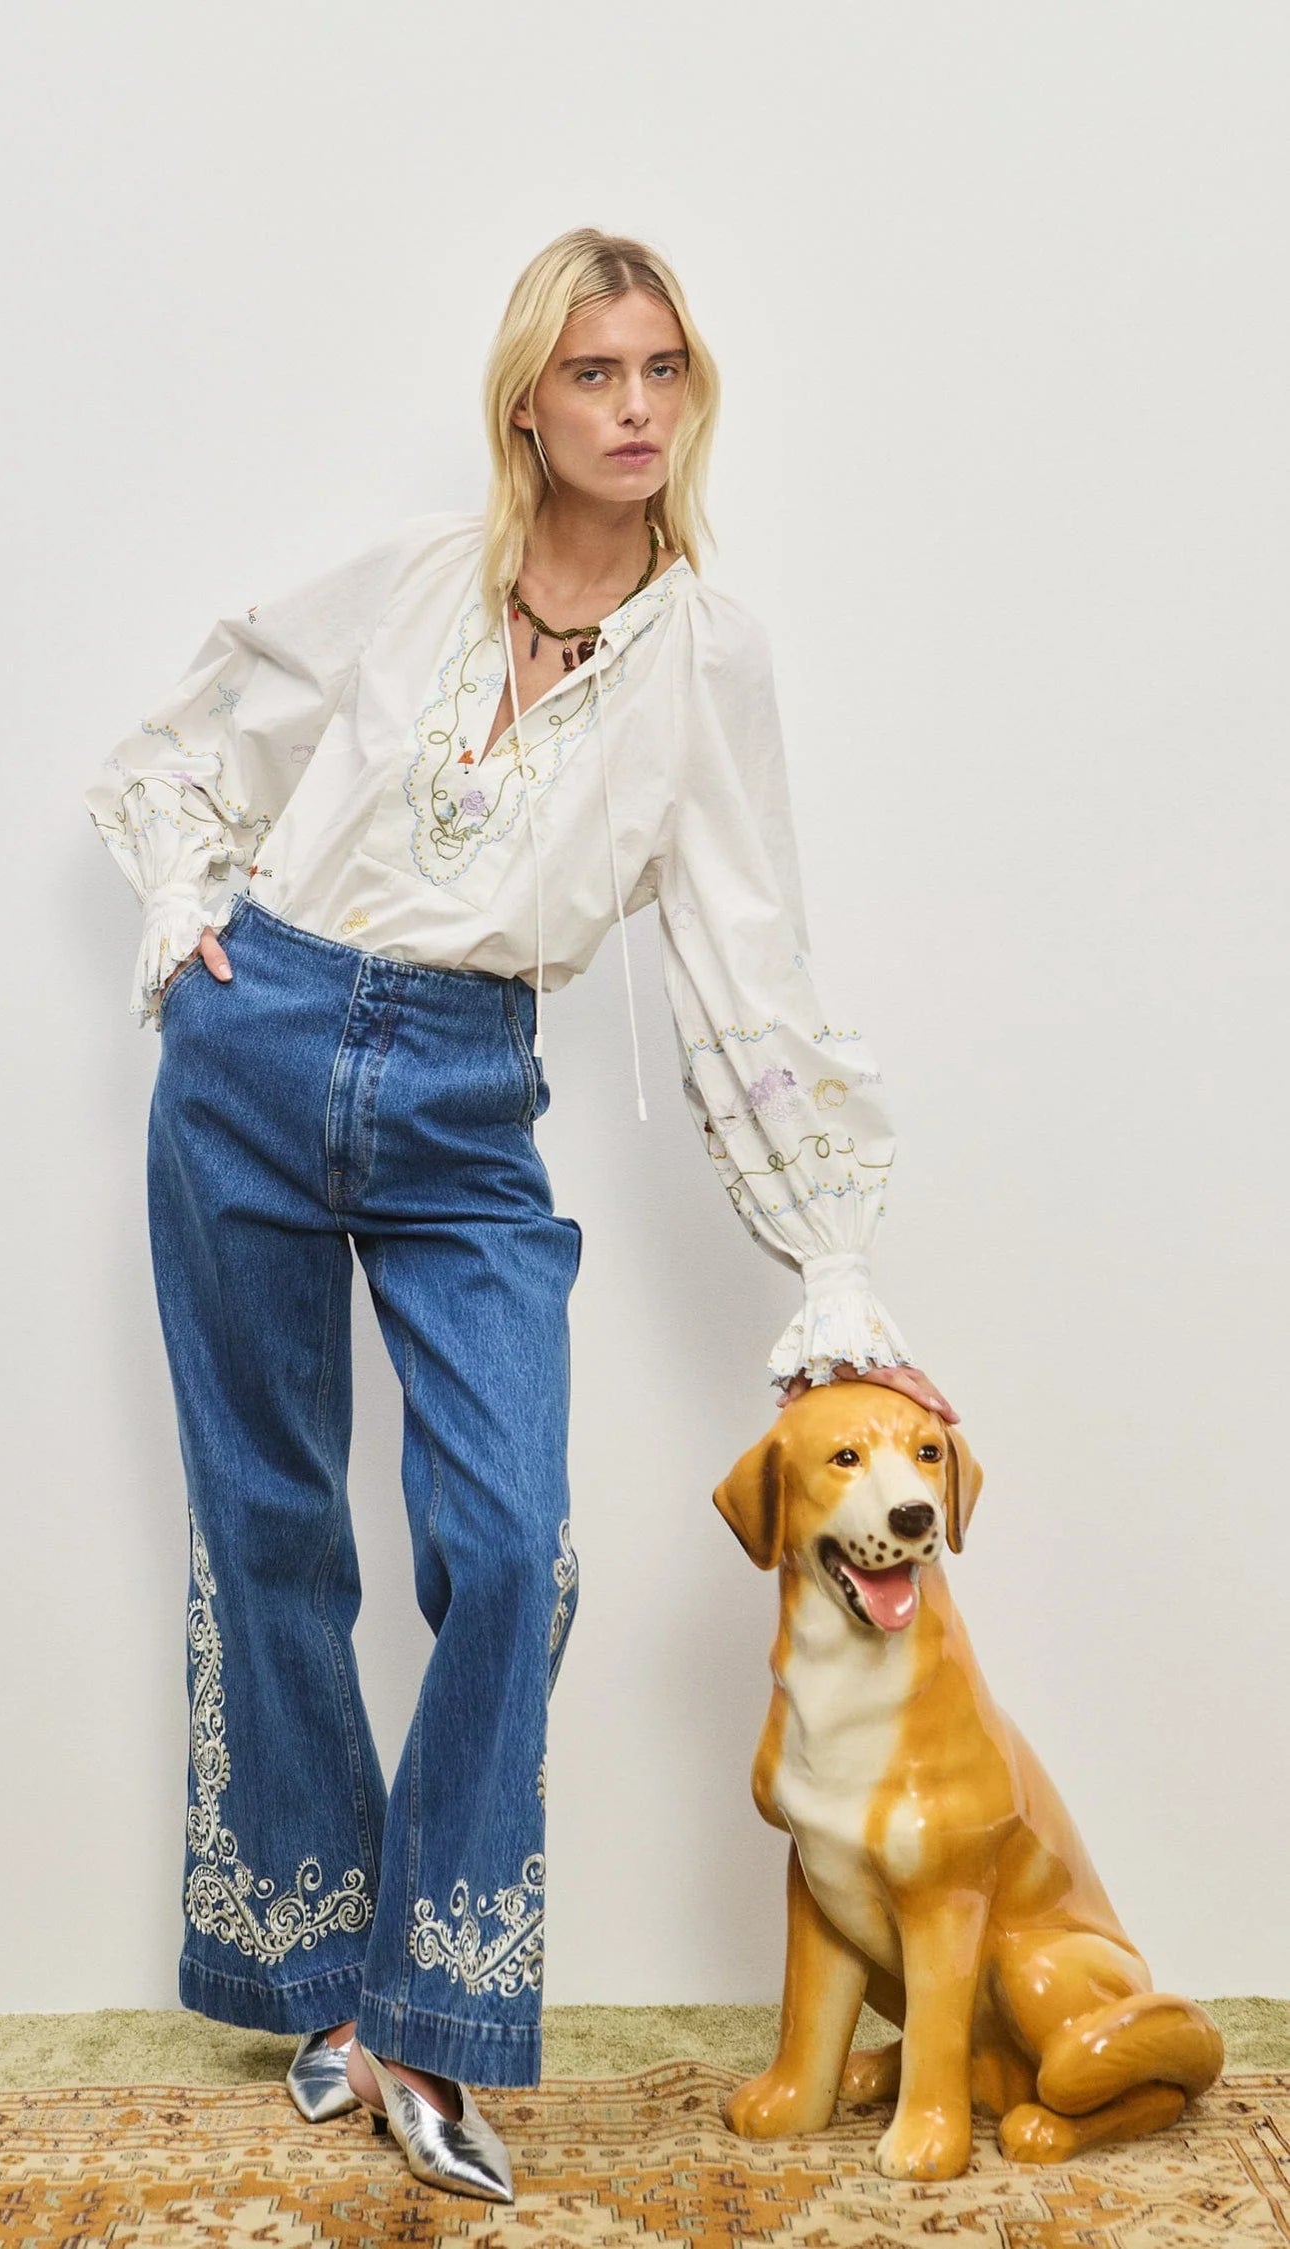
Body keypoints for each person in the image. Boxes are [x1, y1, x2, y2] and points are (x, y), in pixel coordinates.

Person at [82, 225, 957, 2205]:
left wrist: (829, 1256)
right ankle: (322, 1990)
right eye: (595, 373)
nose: (636, 409)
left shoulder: (708, 657)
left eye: (664, 371)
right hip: (256, 1040)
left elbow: (748, 958)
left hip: (470, 1096)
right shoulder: (411, 581)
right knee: (270, 1525)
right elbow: (185, 742)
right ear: (528, 406)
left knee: (509, 1550)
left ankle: (428, 2010)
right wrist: (185, 901)